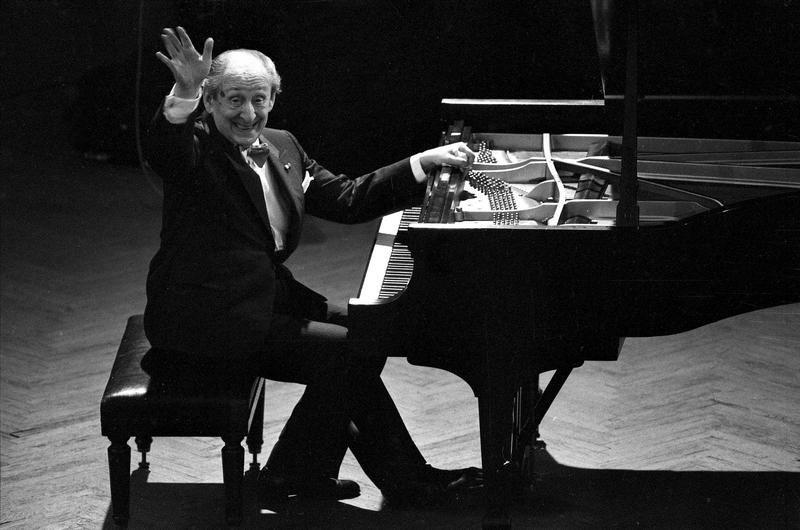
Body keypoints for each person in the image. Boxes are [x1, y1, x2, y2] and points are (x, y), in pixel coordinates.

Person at [141, 26, 478, 505]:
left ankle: (307, 474)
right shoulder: (193, 150)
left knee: (369, 334)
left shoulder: (283, 145)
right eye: (233, 99)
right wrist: (185, 90)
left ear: (274, 98)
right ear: (211, 101)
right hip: (206, 320)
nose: (247, 113)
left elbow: (346, 198)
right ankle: (395, 481)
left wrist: (422, 162)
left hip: (264, 302)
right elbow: (164, 150)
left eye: (259, 99)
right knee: (346, 353)